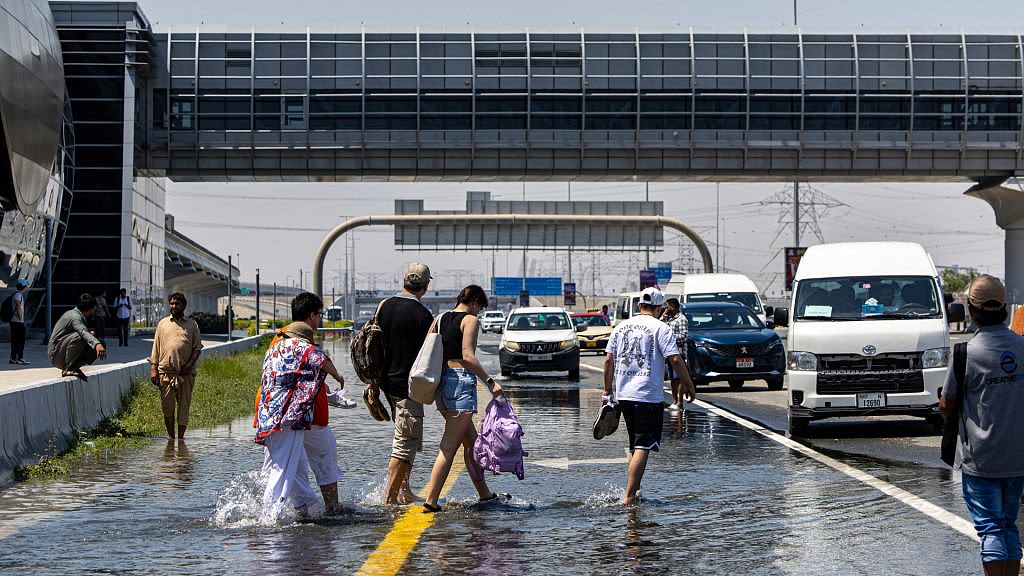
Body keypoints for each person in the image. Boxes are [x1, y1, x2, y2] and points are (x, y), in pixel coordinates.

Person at [940, 275, 1024, 576]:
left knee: (990, 529)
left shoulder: (966, 353)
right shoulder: (1022, 346)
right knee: (1008, 525)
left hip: (982, 459)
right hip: (1018, 457)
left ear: (971, 312)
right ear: (1003, 309)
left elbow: (947, 405)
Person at [255, 292, 346, 518]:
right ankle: (270, 516)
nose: (320, 320)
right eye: (320, 315)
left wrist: (326, 390)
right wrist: (337, 375)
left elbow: (298, 373)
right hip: (287, 417)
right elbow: (318, 358)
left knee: (291, 465)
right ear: (312, 316)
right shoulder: (296, 344)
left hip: (275, 416)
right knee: (285, 468)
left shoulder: (277, 345)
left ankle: (304, 510)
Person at [604, 287, 696, 506]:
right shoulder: (661, 328)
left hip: (624, 394)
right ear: (659, 307)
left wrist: (607, 390)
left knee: (635, 445)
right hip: (647, 395)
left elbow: (608, 360)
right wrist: (688, 383)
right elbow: (675, 359)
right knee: (644, 445)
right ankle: (628, 497)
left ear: (638, 305)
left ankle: (634, 491)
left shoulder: (621, 326)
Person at [422, 285, 505, 513]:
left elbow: (428, 349)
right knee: (449, 447)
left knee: (472, 445)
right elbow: (468, 356)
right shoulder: (470, 320)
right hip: (460, 382)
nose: (478, 313)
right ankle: (430, 501)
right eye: (479, 308)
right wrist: (490, 382)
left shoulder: (439, 318)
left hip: (442, 384)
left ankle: (485, 494)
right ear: (475, 303)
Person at [373, 263, 434, 505]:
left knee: (408, 438)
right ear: (426, 286)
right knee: (404, 444)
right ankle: (390, 499)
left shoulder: (384, 306)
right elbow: (429, 355)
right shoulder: (422, 315)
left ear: (404, 280)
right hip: (409, 387)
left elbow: (374, 344)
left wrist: (373, 382)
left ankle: (405, 491)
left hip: (387, 383)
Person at [149, 292, 203, 440]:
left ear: (183, 306)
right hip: (165, 373)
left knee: (184, 408)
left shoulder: (192, 324)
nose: (174, 306)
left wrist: (189, 365)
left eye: (177, 304)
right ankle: (171, 438)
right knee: (167, 408)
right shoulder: (163, 324)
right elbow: (156, 347)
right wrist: (153, 368)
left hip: (185, 374)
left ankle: (181, 439)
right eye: (172, 303)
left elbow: (197, 348)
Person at [48, 293, 107, 380]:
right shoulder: (75, 317)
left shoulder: (78, 315)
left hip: (62, 352)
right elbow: (82, 332)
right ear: (91, 309)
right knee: (82, 337)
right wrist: (96, 344)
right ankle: (67, 368)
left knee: (101, 342)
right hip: (56, 355)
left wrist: (95, 340)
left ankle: (74, 366)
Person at [660, 298, 688, 412]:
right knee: (673, 379)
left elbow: (683, 336)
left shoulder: (681, 319)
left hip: (679, 353)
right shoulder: (669, 319)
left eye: (667, 307)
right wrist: (663, 317)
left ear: (673, 306)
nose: (666, 309)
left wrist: (670, 339)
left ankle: (680, 403)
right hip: (669, 353)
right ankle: (674, 401)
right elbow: (659, 327)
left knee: (679, 378)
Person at [8, 278, 28, 365]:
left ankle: (13, 358)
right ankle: (20, 358)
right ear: (24, 287)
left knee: (15, 340)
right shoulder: (18, 295)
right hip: (17, 322)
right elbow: (18, 306)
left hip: (13, 321)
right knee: (21, 340)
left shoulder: (15, 294)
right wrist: (20, 318)